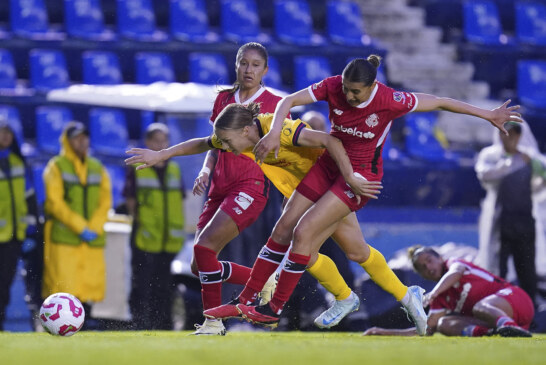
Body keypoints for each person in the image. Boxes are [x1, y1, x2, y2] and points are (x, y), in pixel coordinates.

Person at [211, 55, 522, 332]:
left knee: (303, 235)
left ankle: (273, 309)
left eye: (355, 91)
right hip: (327, 169)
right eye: (346, 88)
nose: (347, 95)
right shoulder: (333, 86)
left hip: (359, 179)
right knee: (336, 246)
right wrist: (276, 130)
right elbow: (287, 100)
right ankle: (256, 298)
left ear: (372, 86)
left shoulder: (390, 100)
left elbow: (440, 101)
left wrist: (487, 114)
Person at [126, 102, 423, 334]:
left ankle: (265, 304)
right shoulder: (238, 136)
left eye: (228, 143)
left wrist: (350, 177)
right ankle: (404, 295)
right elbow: (205, 143)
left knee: (296, 237)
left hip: (332, 188)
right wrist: (161, 154)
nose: (227, 150)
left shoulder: (279, 131)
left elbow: (332, 142)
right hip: (306, 193)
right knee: (353, 250)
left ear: (244, 132)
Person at [363, 246, 534, 337]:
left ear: (440, 258)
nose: (428, 268)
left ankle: (508, 326)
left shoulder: (454, 263)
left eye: (430, 260)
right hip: (498, 319)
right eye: (423, 268)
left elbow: (455, 273)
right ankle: (496, 333)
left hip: (517, 300)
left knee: (480, 307)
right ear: (421, 275)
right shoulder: (441, 298)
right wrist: (384, 332)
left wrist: (433, 293)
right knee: (442, 324)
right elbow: (425, 330)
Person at [42, 121, 112, 319]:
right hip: (65, 238)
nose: (82, 141)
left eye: (85, 137)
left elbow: (105, 201)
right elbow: (54, 202)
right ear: (67, 140)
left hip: (91, 239)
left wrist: (95, 227)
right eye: (77, 138)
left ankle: (86, 321)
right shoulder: (56, 166)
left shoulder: (97, 167)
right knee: (64, 288)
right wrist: (81, 227)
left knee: (88, 286)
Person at [475, 121, 546, 306]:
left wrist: (536, 172)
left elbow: (541, 182)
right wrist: (507, 164)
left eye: (513, 134)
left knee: (527, 271)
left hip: (525, 222)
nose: (509, 138)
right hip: (500, 222)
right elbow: (484, 175)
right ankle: (495, 310)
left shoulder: (530, 160)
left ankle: (529, 313)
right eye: (505, 133)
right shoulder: (491, 156)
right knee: (498, 270)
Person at [122, 123, 185, 330]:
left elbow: (179, 200)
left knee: (164, 286)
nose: (160, 145)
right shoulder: (136, 168)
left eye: (164, 141)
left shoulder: (174, 168)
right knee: (142, 284)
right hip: (145, 235)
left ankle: (164, 324)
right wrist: (141, 222)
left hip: (169, 239)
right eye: (156, 140)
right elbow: (130, 200)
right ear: (147, 142)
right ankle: (140, 323)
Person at [0, 119, 28, 331]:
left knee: (5, 283)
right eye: (2, 132)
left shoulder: (18, 163)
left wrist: (29, 229)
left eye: (8, 132)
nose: (5, 136)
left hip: (13, 235)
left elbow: (27, 197)